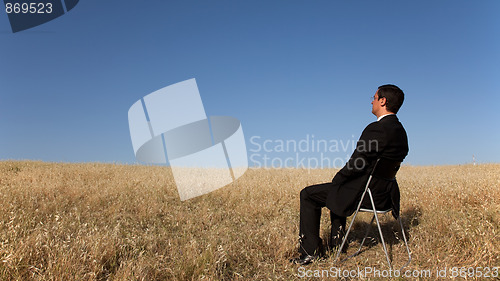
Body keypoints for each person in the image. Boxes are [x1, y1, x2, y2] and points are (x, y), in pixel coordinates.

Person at [290, 84, 409, 265]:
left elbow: (356, 163)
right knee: (339, 188)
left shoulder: (376, 129)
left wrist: (338, 177)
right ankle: (337, 243)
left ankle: (310, 252)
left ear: (383, 101)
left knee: (308, 194)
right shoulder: (401, 132)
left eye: (375, 97)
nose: (372, 101)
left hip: (366, 195)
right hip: (385, 196)